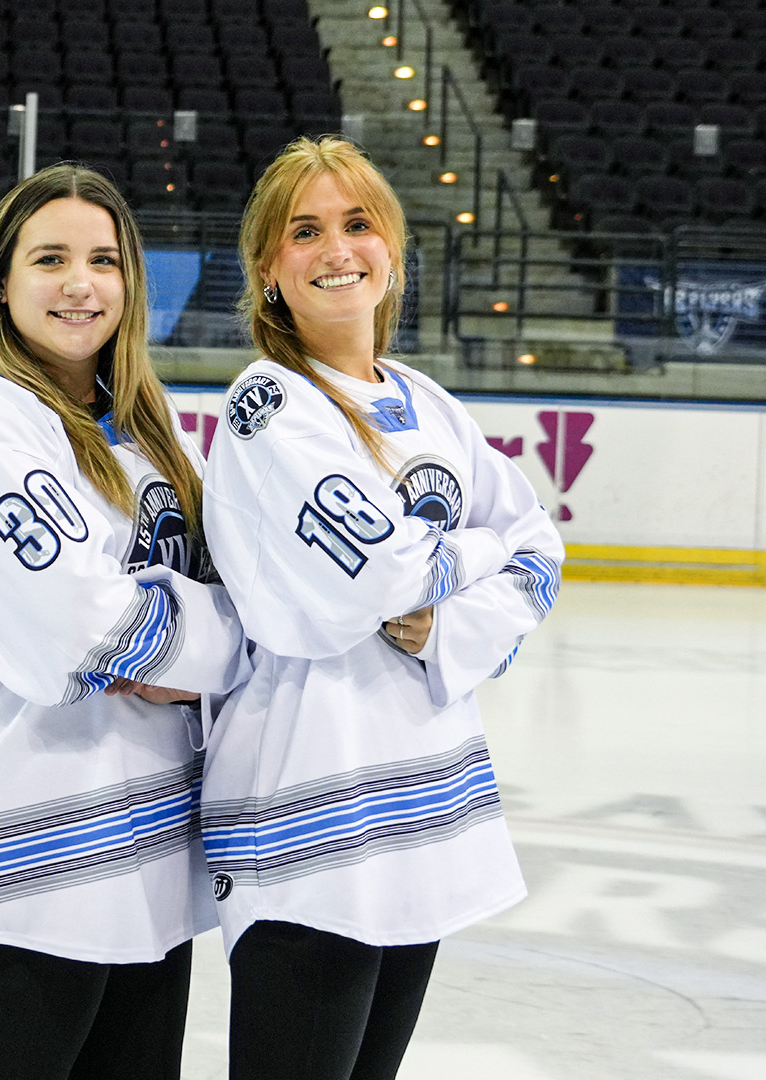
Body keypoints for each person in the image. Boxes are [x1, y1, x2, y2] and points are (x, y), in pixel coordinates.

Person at [202, 136, 564, 1080]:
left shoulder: (425, 400)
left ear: (392, 250)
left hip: (423, 796)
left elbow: (542, 548)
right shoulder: (269, 402)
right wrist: (475, 561)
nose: (338, 249)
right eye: (306, 231)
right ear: (268, 271)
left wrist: (456, 621)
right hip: (309, 795)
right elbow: (384, 575)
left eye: (359, 224)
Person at [0, 164, 249, 1080]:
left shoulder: (145, 426)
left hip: (149, 851)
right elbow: (86, 626)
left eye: (104, 260)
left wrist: (196, 642)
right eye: (50, 259)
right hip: (20, 855)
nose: (81, 284)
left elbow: (219, 594)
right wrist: (226, 645)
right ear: (0, 283)